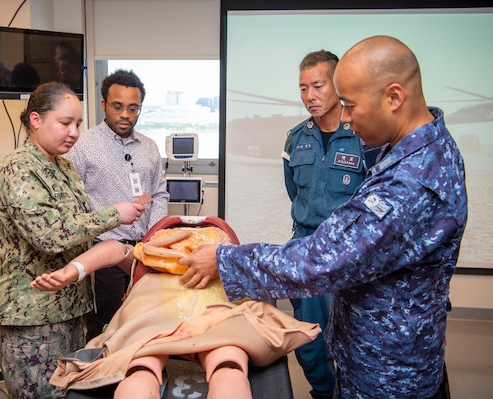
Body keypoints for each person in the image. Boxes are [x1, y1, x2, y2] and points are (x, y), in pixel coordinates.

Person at [179, 35, 467, 398]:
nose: (345, 116)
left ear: (394, 97)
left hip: (389, 377)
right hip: (379, 353)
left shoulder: (412, 182)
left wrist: (225, 261)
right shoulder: (418, 149)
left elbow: (321, 260)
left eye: (350, 104)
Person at [32, 223, 320, 399]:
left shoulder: (154, 257)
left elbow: (113, 250)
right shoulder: (229, 260)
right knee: (228, 367)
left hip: (155, 322)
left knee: (142, 370)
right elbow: (113, 249)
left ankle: (148, 370)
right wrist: (73, 271)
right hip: (215, 318)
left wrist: (75, 270)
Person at [0, 82, 145, 399]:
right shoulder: (18, 168)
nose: (74, 132)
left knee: (70, 392)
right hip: (33, 317)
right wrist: (115, 214)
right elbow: (50, 234)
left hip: (70, 310)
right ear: (36, 120)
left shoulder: (64, 167)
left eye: (77, 124)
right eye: (65, 123)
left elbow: (78, 223)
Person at [282, 50, 368, 399]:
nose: (309, 97)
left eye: (317, 86)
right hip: (304, 248)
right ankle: (323, 392)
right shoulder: (295, 138)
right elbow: (293, 191)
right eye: (303, 88)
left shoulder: (365, 138)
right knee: (308, 339)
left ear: (337, 84)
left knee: (350, 338)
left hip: (347, 255)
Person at [66, 69, 169, 340]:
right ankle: (101, 380)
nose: (125, 114)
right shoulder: (83, 145)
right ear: (103, 105)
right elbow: (69, 199)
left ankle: (138, 378)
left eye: (133, 108)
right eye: (118, 106)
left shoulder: (149, 147)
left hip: (144, 251)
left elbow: (159, 194)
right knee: (106, 326)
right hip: (105, 254)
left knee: (144, 322)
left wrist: (154, 237)